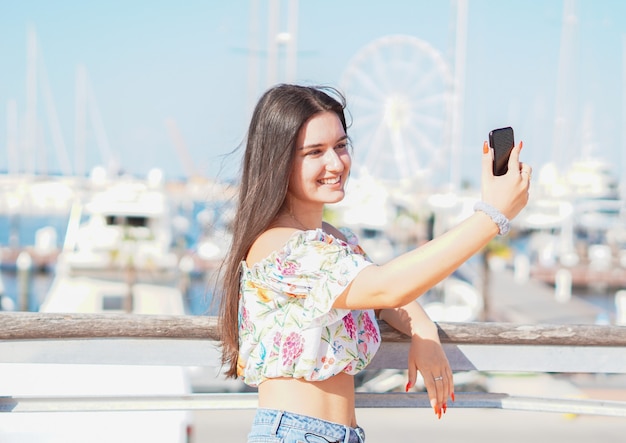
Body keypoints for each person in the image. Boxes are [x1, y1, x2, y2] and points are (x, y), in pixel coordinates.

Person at [219, 83, 531, 442]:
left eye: (340, 146)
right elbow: (386, 286)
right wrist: (492, 216)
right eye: (315, 152)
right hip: (296, 433)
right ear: (279, 160)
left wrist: (423, 330)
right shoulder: (281, 247)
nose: (335, 163)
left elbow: (383, 297)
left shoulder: (330, 239)